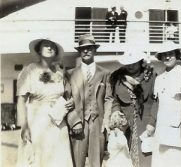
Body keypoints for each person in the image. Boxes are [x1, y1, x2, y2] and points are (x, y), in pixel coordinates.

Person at [17, 38, 75, 167]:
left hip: (58, 122)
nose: (49, 48)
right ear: (38, 49)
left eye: (52, 46)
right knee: (39, 158)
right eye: (46, 45)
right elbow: (21, 101)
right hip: (37, 122)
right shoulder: (29, 70)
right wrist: (24, 126)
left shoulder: (60, 72)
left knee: (58, 158)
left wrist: (70, 101)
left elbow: (66, 93)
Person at [67, 34, 113, 167]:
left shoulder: (104, 73)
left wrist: (106, 121)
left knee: (96, 162)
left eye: (89, 48)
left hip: (98, 123)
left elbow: (108, 98)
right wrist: (74, 121)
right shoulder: (70, 74)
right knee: (77, 161)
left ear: (95, 50)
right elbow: (66, 100)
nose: (86, 51)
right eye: (82, 49)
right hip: (78, 124)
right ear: (79, 51)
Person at [110, 51, 157, 167]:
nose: (130, 66)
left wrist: (152, 123)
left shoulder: (151, 76)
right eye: (127, 63)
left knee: (146, 160)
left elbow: (157, 101)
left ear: (140, 62)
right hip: (126, 127)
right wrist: (115, 112)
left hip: (146, 126)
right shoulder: (118, 78)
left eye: (133, 63)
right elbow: (115, 101)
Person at [146, 41, 181, 167]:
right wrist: (151, 123)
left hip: (178, 126)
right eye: (164, 55)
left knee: (178, 160)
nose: (168, 57)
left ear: (176, 55)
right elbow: (157, 102)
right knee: (161, 161)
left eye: (171, 54)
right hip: (162, 127)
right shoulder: (159, 78)